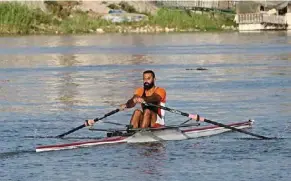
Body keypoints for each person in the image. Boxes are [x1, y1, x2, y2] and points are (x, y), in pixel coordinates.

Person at [86, 70, 166, 129]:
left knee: (147, 111)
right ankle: (131, 131)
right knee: (137, 111)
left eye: (148, 79)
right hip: (145, 120)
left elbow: (154, 98)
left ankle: (141, 133)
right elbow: (132, 101)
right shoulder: (140, 90)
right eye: (144, 79)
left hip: (157, 122)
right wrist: (127, 104)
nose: (146, 81)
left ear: (154, 79)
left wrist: (143, 99)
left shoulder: (160, 91)